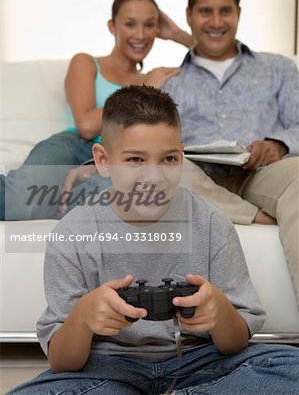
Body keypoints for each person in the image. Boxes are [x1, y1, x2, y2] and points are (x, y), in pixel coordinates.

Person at [6, 85, 299, 395]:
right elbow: (63, 361)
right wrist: (82, 318)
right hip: (109, 367)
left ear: (182, 157)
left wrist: (220, 312)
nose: (154, 176)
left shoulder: (211, 222)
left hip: (201, 362)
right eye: (135, 160)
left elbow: (235, 342)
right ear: (103, 161)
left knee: (290, 369)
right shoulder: (72, 232)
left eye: (169, 159)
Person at [161, 0, 299, 304]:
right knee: (165, 172)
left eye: (226, 11)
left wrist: (278, 144)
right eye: (205, 11)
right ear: (190, 16)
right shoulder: (170, 80)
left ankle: (256, 207)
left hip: (262, 173)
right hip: (201, 179)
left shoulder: (277, 68)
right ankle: (258, 216)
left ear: (238, 13)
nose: (216, 21)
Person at [0, 0, 192, 220]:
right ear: (112, 26)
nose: (141, 35)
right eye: (130, 24)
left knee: (115, 200)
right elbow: (86, 125)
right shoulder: (88, 63)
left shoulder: (154, 78)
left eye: (149, 25)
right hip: (72, 146)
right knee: (20, 201)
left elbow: (218, 54)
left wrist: (177, 34)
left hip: (118, 157)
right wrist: (145, 90)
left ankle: (60, 195)